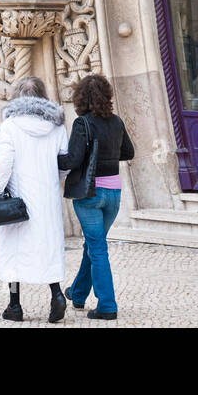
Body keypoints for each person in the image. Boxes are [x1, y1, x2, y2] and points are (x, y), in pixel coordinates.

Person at [0, 75, 69, 323]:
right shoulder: (56, 125)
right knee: (48, 246)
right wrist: (50, 177)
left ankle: (14, 306)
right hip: (47, 197)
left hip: (18, 197)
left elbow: (3, 163)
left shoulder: (10, 125)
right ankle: (56, 295)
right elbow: (64, 163)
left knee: (14, 249)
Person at [59, 73, 135, 321]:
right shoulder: (116, 122)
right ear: (107, 95)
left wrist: (48, 157)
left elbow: (72, 160)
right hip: (113, 194)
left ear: (80, 98)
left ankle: (107, 305)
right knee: (92, 244)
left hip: (90, 194)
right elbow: (129, 152)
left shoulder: (83, 124)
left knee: (97, 247)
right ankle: (78, 294)